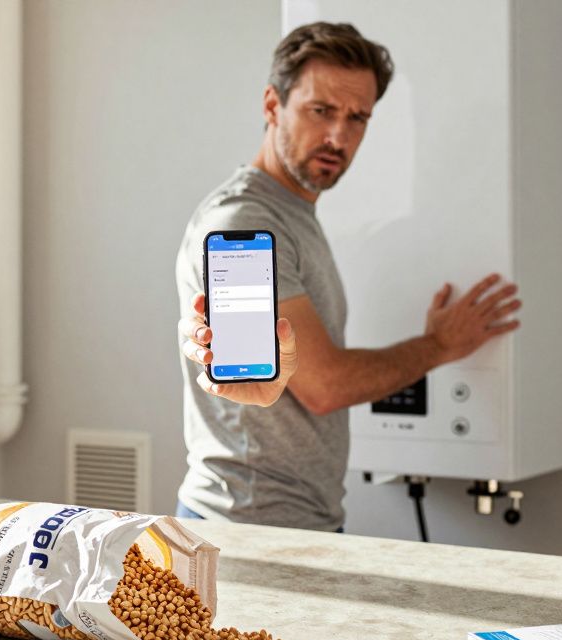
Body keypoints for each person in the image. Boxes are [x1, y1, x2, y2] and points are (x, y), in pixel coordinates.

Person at [175, 22, 522, 532]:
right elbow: (324, 385)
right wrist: (439, 345)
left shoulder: (291, 213)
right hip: (248, 525)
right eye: (321, 111)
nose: (339, 136)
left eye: (358, 117)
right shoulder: (247, 221)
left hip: (289, 521)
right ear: (273, 106)